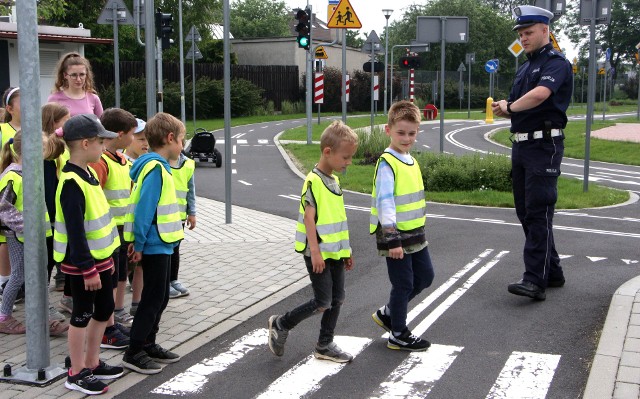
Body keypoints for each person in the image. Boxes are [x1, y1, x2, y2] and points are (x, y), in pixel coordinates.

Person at [491, 5, 571, 301]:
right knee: (526, 212)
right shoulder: (525, 67)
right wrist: (505, 108)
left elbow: (540, 95)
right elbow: (518, 105)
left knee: (538, 211)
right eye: (521, 34)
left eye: (528, 32)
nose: (523, 38)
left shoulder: (556, 63)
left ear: (545, 31)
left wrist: (511, 107)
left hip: (544, 146)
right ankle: (553, 272)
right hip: (522, 145)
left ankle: (534, 280)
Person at [268, 120, 357, 363]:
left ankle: (324, 345)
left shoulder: (335, 181)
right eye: (345, 157)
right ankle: (281, 323)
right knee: (322, 301)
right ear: (328, 152)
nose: (348, 162)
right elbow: (309, 219)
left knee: (337, 299)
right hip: (317, 254)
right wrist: (315, 252)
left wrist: (346, 250)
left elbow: (338, 219)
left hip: (336, 253)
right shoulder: (313, 181)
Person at [53, 114, 124, 394]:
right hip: (83, 264)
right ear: (85, 143)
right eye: (100, 142)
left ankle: (93, 363)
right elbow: (75, 231)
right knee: (82, 314)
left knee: (105, 308)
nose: (104, 147)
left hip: (102, 258)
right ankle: (76, 371)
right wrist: (88, 268)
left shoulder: (90, 172)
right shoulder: (71, 182)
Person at [122, 112, 184, 374]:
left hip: (164, 243)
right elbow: (145, 209)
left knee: (159, 298)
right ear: (170, 138)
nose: (183, 145)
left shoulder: (157, 166)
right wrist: (139, 243)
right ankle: (134, 350)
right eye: (182, 140)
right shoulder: (156, 168)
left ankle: (148, 342)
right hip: (154, 243)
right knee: (152, 298)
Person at [370, 100, 434, 352]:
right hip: (395, 236)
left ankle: (388, 313)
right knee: (404, 284)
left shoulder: (410, 160)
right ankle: (398, 333)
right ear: (388, 130)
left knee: (426, 277)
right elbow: (385, 203)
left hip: (415, 234)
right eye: (401, 133)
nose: (406, 138)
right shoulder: (387, 163)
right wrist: (392, 239)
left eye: (411, 133)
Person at [0, 130, 68, 335]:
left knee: (39, 276)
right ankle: (3, 316)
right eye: (41, 148)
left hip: (36, 236)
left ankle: (43, 319)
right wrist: (27, 228)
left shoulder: (32, 172)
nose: (44, 152)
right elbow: (3, 208)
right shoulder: (12, 176)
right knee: (19, 276)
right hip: (20, 237)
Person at [88, 108, 137, 350]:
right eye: (132, 133)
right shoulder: (102, 162)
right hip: (107, 230)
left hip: (121, 229)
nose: (134, 138)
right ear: (120, 134)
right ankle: (106, 326)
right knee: (109, 277)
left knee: (119, 274)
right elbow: (95, 197)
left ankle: (114, 318)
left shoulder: (123, 160)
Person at [41, 103, 71, 299]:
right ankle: (42, 305)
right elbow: (50, 187)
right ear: (55, 123)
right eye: (66, 120)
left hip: (58, 214)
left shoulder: (61, 147)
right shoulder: (48, 153)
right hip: (52, 217)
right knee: (47, 261)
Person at [123, 118, 147, 317]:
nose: (145, 143)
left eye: (147, 139)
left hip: (138, 225)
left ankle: (137, 304)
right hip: (121, 226)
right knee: (123, 271)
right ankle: (116, 308)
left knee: (139, 266)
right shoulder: (121, 162)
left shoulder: (146, 162)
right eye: (140, 139)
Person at [168, 149, 196, 298]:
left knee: (175, 250)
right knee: (166, 251)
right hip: (164, 218)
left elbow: (191, 191)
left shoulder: (187, 164)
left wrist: (192, 212)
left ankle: (173, 279)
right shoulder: (160, 163)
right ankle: (165, 282)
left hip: (179, 216)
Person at [0, 87, 20, 297]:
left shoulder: (35, 130)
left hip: (27, 190)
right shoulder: (3, 130)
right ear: (9, 108)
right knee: (5, 239)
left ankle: (17, 282)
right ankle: (5, 284)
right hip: (7, 188)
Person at [48, 52, 103, 117]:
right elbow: (49, 125)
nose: (78, 79)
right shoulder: (55, 99)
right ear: (65, 75)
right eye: (73, 75)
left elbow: (101, 125)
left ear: (86, 75)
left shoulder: (93, 98)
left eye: (82, 74)